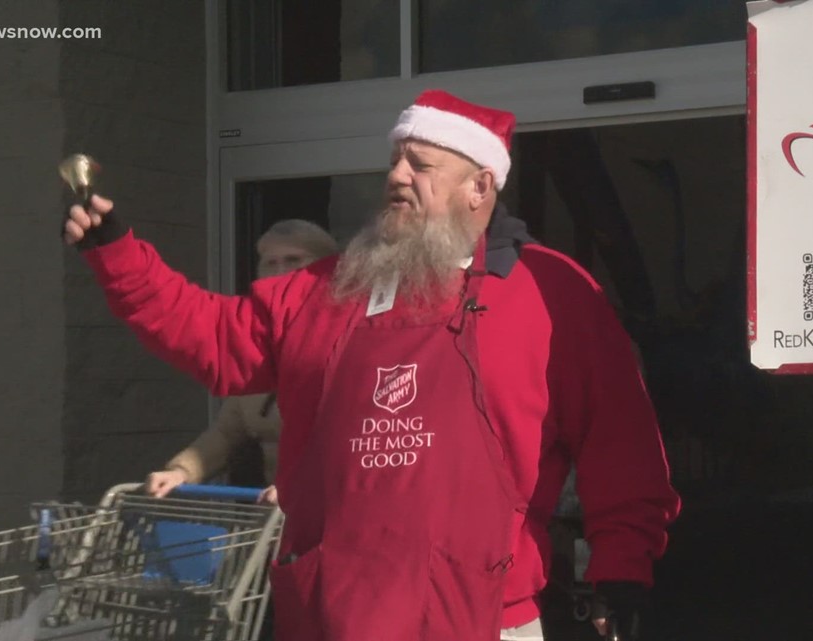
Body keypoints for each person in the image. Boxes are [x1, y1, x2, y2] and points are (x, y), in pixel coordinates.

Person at [63, 89, 680, 641]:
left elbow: (619, 439)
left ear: (480, 186)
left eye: (421, 164)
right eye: (395, 160)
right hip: (333, 615)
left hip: (484, 616)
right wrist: (116, 254)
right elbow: (215, 338)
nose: (397, 175)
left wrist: (621, 568)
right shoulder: (328, 289)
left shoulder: (550, 294)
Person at [144, 219, 339, 504]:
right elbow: (226, 433)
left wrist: (302, 484)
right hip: (274, 516)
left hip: (329, 510)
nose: (281, 271)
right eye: (270, 263)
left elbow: (352, 438)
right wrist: (180, 472)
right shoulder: (258, 342)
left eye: (294, 260)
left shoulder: (347, 336)